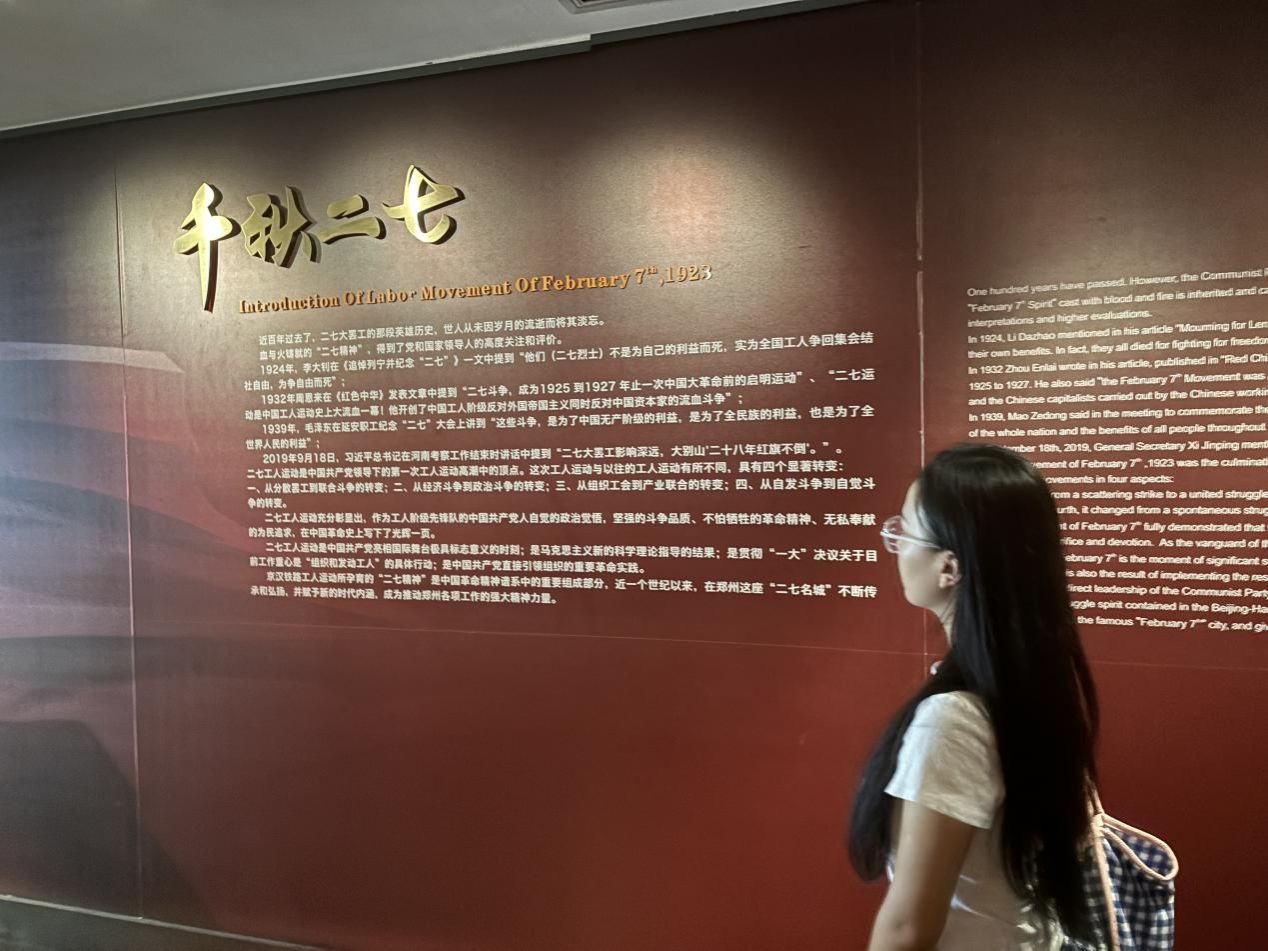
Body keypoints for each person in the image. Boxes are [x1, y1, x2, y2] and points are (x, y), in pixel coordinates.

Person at [848, 443, 1099, 950]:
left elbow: (907, 928)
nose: (894, 544)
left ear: (949, 567)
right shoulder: (1032, 683)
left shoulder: (952, 720)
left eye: (903, 531)